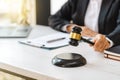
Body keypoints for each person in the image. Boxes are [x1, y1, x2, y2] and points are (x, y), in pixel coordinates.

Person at [48, 0, 120, 52]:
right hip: (79, 49)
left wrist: (108, 40)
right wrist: (72, 28)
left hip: (106, 51)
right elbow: (54, 18)